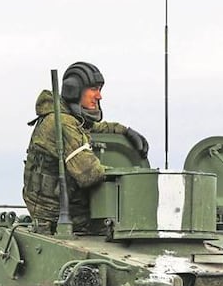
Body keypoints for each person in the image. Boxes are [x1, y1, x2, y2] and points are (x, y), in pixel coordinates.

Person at [22, 61, 149, 234]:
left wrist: (124, 130)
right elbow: (90, 173)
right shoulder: (61, 123)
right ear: (73, 91)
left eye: (100, 90)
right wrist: (133, 177)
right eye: (94, 89)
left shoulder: (68, 118)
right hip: (55, 217)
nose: (99, 96)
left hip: (65, 211)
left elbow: (91, 128)